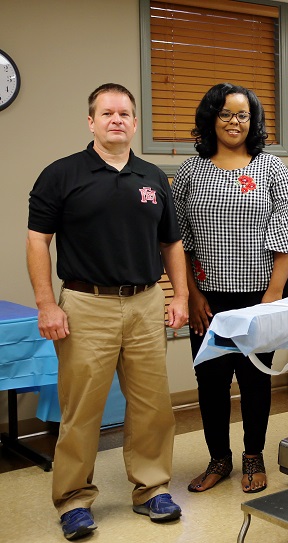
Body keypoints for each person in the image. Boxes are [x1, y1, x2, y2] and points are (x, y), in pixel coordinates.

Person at [26, 83, 189, 540]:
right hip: (84, 304)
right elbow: (38, 239)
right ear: (91, 121)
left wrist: (178, 297)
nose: (117, 119)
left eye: (124, 113)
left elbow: (171, 242)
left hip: (144, 303)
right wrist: (45, 304)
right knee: (82, 410)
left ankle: (152, 488)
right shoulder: (61, 174)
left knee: (152, 406)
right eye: (107, 113)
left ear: (135, 123)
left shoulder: (154, 177)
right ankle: (74, 501)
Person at [172, 83, 288, 495]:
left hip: (258, 298)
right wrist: (194, 296)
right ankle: (219, 458)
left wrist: (272, 298)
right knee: (210, 382)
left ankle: (254, 456)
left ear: (254, 121)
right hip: (207, 301)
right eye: (227, 114)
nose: (235, 122)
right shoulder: (189, 174)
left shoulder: (271, 170)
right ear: (211, 117)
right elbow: (178, 241)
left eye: (243, 115)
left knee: (254, 381)